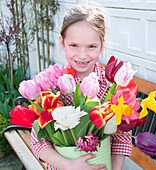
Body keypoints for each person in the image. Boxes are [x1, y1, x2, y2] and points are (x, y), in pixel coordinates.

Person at [31, 4, 132, 170]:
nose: (83, 55)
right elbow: (39, 141)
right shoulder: (52, 87)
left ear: (102, 44)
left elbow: (122, 137)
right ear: (62, 43)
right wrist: (69, 165)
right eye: (74, 45)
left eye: (91, 46)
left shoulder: (112, 87)